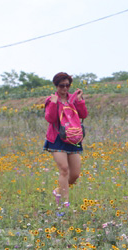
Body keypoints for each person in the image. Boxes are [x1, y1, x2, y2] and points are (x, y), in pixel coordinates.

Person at [43, 72, 88, 207]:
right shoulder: (51, 99)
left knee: (74, 175)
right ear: (56, 86)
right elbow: (50, 119)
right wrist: (53, 104)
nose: (65, 88)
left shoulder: (73, 99)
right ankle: (65, 203)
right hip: (57, 138)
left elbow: (84, 115)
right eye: (62, 85)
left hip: (73, 138)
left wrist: (79, 101)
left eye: (67, 85)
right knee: (64, 169)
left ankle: (58, 191)